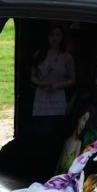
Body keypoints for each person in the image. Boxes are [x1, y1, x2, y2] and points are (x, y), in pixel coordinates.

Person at [27, 24, 75, 172]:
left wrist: (58, 85)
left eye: (57, 35)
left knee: (54, 135)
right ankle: (38, 168)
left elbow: (73, 79)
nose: (54, 38)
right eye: (52, 35)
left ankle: (53, 168)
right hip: (41, 99)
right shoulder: (39, 55)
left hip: (58, 99)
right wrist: (41, 83)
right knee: (40, 135)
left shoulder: (67, 57)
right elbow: (32, 77)